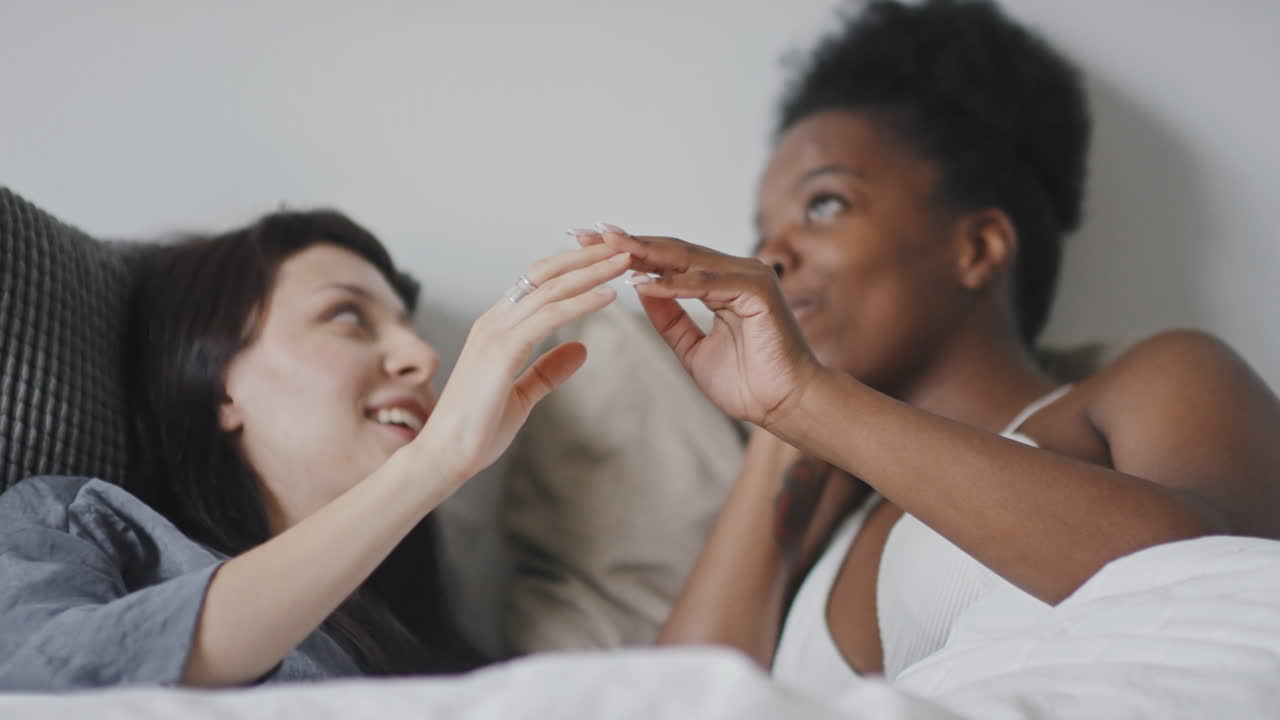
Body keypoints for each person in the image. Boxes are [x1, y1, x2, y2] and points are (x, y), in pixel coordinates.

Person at [572, 0, 1280, 695]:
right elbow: (678, 703)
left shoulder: (1159, 379)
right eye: (762, 233)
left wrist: (809, 398)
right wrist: (779, 429)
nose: (772, 255)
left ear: (978, 247)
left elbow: (1206, 584)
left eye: (824, 204)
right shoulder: (820, 516)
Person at [0, 209, 632, 690]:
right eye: (348, 317)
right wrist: (431, 465)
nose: (424, 357)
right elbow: (51, 683)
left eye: (408, 328)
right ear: (216, 376)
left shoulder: (411, 637)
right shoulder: (69, 521)